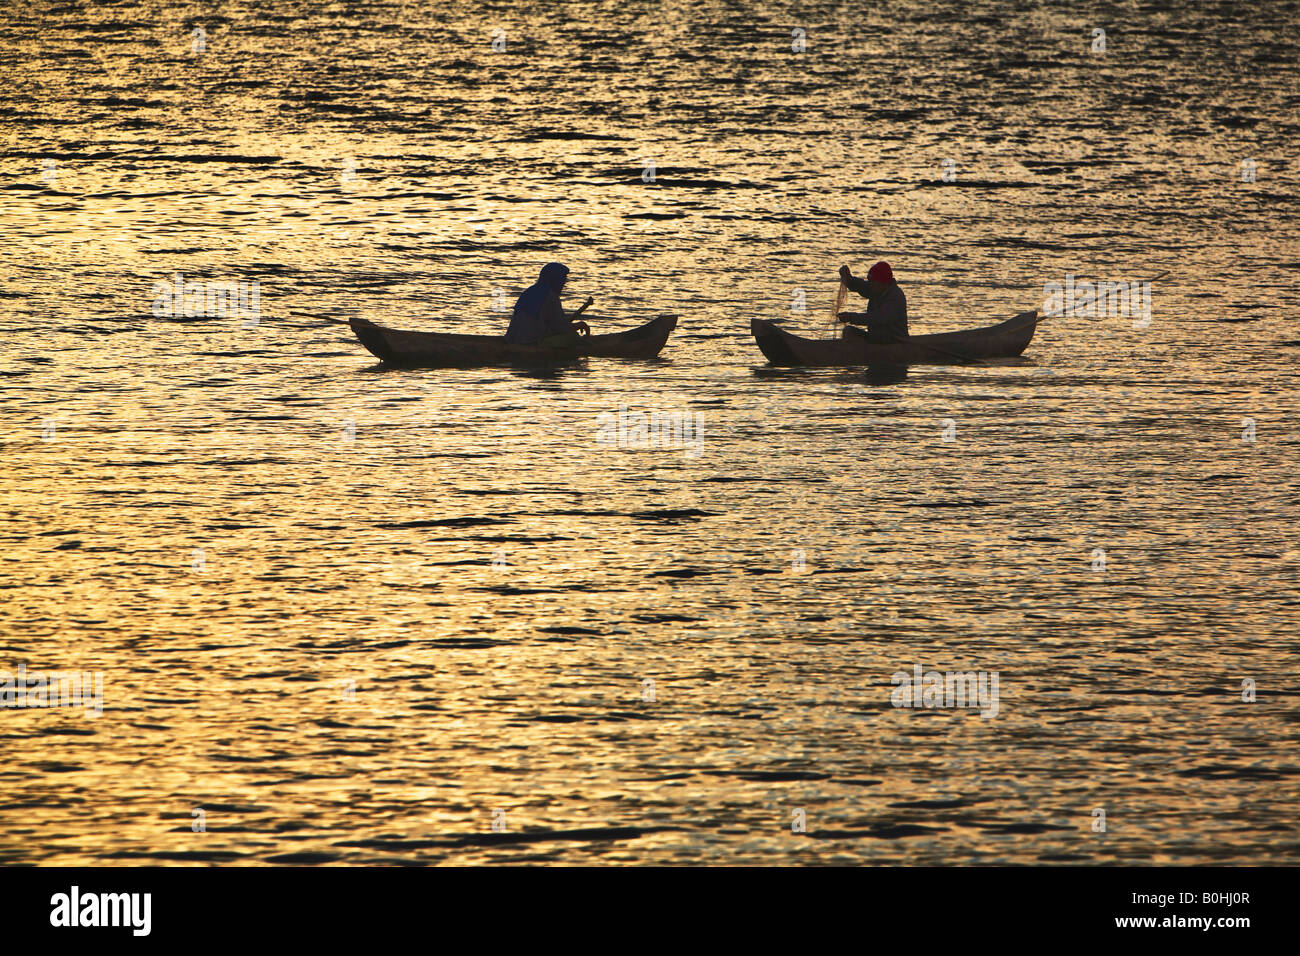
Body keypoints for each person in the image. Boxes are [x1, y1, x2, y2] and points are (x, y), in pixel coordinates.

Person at [504, 262, 592, 346]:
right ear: (555, 279)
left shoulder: (529, 291)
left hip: (511, 338)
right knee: (573, 337)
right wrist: (579, 325)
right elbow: (560, 327)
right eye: (562, 279)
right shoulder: (550, 296)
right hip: (531, 341)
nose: (563, 283)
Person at [837, 261, 908, 343]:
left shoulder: (896, 297)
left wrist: (851, 317)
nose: (870, 284)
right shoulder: (876, 290)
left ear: (883, 283)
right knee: (848, 331)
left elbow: (877, 318)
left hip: (895, 341)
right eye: (870, 281)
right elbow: (861, 286)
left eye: (873, 282)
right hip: (876, 338)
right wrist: (848, 279)